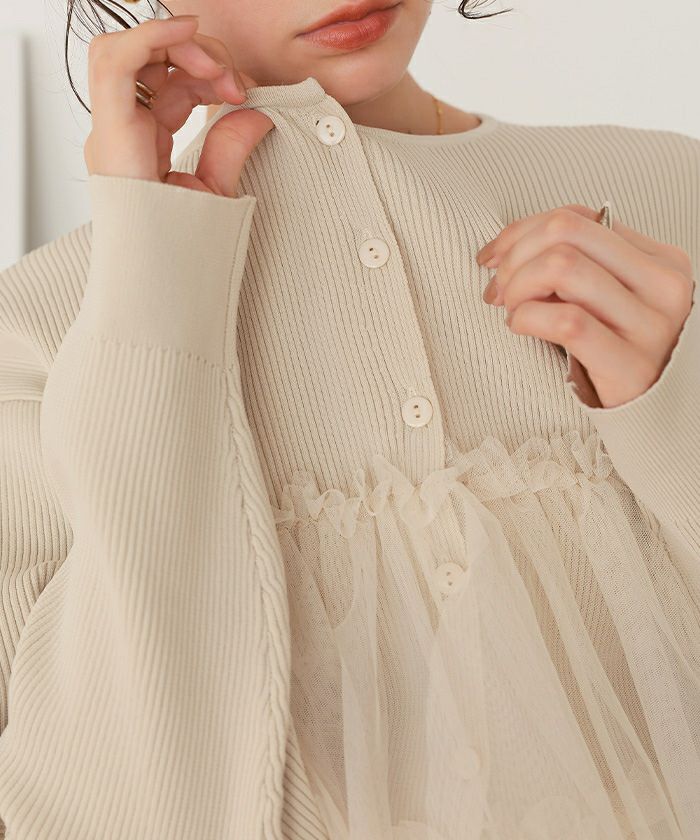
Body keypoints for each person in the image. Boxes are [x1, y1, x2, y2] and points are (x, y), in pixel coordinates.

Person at [0, 1, 698, 838]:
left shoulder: (664, 193)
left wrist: (671, 411)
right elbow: (125, 795)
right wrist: (151, 279)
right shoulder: (39, 326)